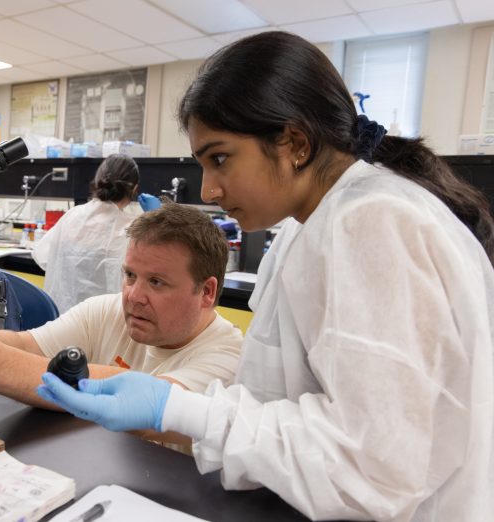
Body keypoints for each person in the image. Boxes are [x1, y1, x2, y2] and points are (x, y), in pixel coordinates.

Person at [36, 31, 494, 522]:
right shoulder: (308, 229)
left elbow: (377, 469)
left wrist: (178, 410)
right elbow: (280, 403)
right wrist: (180, 410)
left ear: (294, 142)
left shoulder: (373, 222)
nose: (209, 190)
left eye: (219, 158)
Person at [0, 202, 242, 412]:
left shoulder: (230, 358)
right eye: (130, 275)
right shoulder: (108, 310)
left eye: (157, 282)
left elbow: (150, 401)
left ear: (206, 292)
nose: (133, 296)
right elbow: (26, 345)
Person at [32, 154, 141, 313]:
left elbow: (41, 255)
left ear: (98, 181)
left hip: (60, 323)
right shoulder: (132, 227)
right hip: (102, 324)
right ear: (134, 189)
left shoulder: (72, 215)